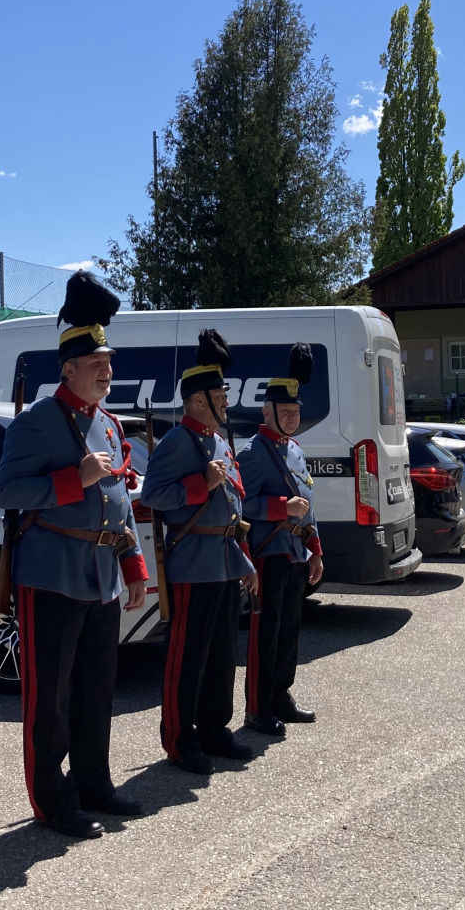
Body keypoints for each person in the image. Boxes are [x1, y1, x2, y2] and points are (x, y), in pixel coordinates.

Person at [0, 271, 149, 841]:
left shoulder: (107, 423)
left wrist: (132, 564)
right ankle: (52, 799)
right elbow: (7, 492)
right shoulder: (36, 422)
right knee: (50, 700)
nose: (107, 371)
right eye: (96, 363)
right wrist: (71, 479)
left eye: (108, 362)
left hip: (102, 576)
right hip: (51, 575)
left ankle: (93, 783)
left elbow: (119, 502)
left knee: (95, 690)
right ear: (68, 369)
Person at [141, 329, 260, 774]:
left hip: (224, 561)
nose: (226, 400)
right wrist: (199, 485)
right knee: (187, 657)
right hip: (192, 563)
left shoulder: (220, 441)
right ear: (196, 400)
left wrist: (244, 559)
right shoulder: (178, 441)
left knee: (221, 654)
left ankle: (214, 728)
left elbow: (234, 508)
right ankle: (179, 738)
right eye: (219, 394)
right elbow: (153, 495)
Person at [237, 343, 324, 736]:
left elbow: (309, 506)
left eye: (296, 411)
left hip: (295, 553)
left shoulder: (296, 450)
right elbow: (240, 504)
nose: (292, 417)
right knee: (265, 633)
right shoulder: (253, 453)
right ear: (266, 411)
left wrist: (315, 551)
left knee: (289, 629)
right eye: (285, 411)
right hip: (268, 552)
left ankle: (281, 694)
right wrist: (280, 507)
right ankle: (258, 707)